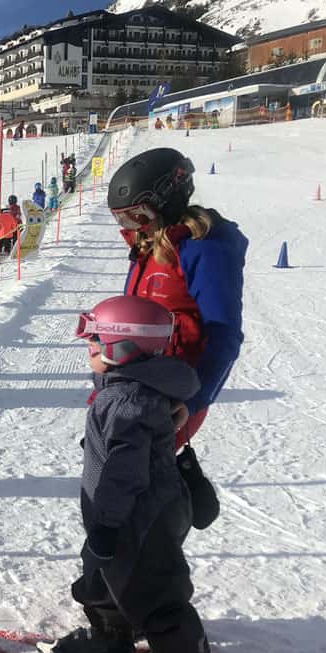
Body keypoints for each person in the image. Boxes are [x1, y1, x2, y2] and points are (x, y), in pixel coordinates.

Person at [44, 295, 228, 653]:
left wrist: (106, 524)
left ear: (120, 350)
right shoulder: (132, 391)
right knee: (103, 572)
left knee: (155, 591)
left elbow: (121, 473)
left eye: (94, 342)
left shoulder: (126, 401)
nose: (87, 350)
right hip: (134, 511)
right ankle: (110, 640)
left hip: (136, 515)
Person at [107, 148, 246, 518]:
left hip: (176, 394)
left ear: (167, 199)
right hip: (136, 388)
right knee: (120, 484)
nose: (132, 226)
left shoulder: (205, 249)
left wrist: (195, 399)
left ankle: (147, 570)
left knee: (139, 497)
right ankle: (111, 570)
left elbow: (225, 334)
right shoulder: (149, 247)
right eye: (122, 219)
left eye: (138, 215)